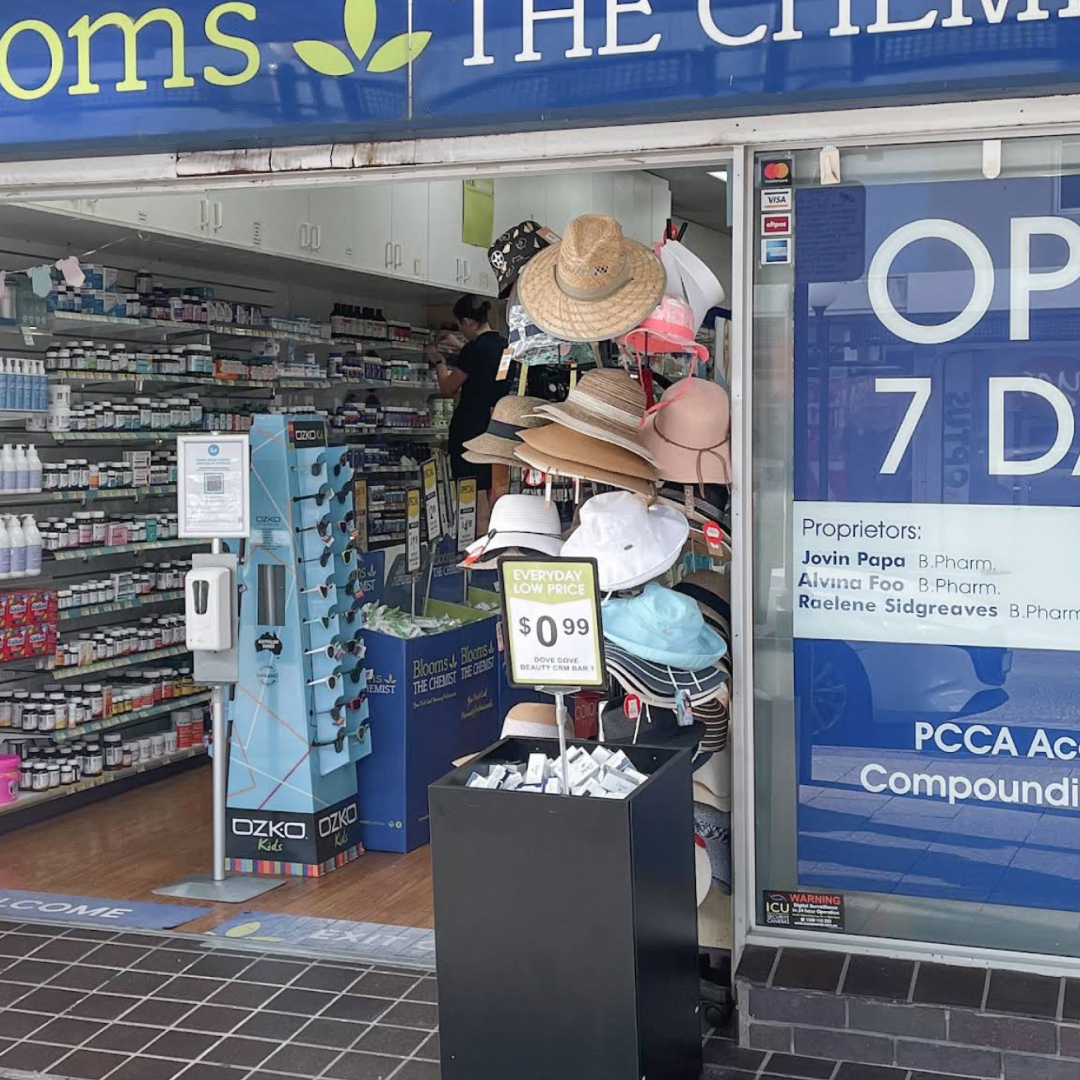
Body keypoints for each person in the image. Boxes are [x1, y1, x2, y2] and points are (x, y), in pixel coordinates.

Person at [426, 295, 509, 503]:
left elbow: (447, 388)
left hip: (469, 427)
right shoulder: (507, 347)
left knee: (471, 489)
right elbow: (488, 370)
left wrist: (438, 361)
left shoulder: (473, 350)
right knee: (492, 484)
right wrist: (460, 346)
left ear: (466, 322)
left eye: (459, 325)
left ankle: (475, 531)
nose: (460, 330)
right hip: (496, 425)